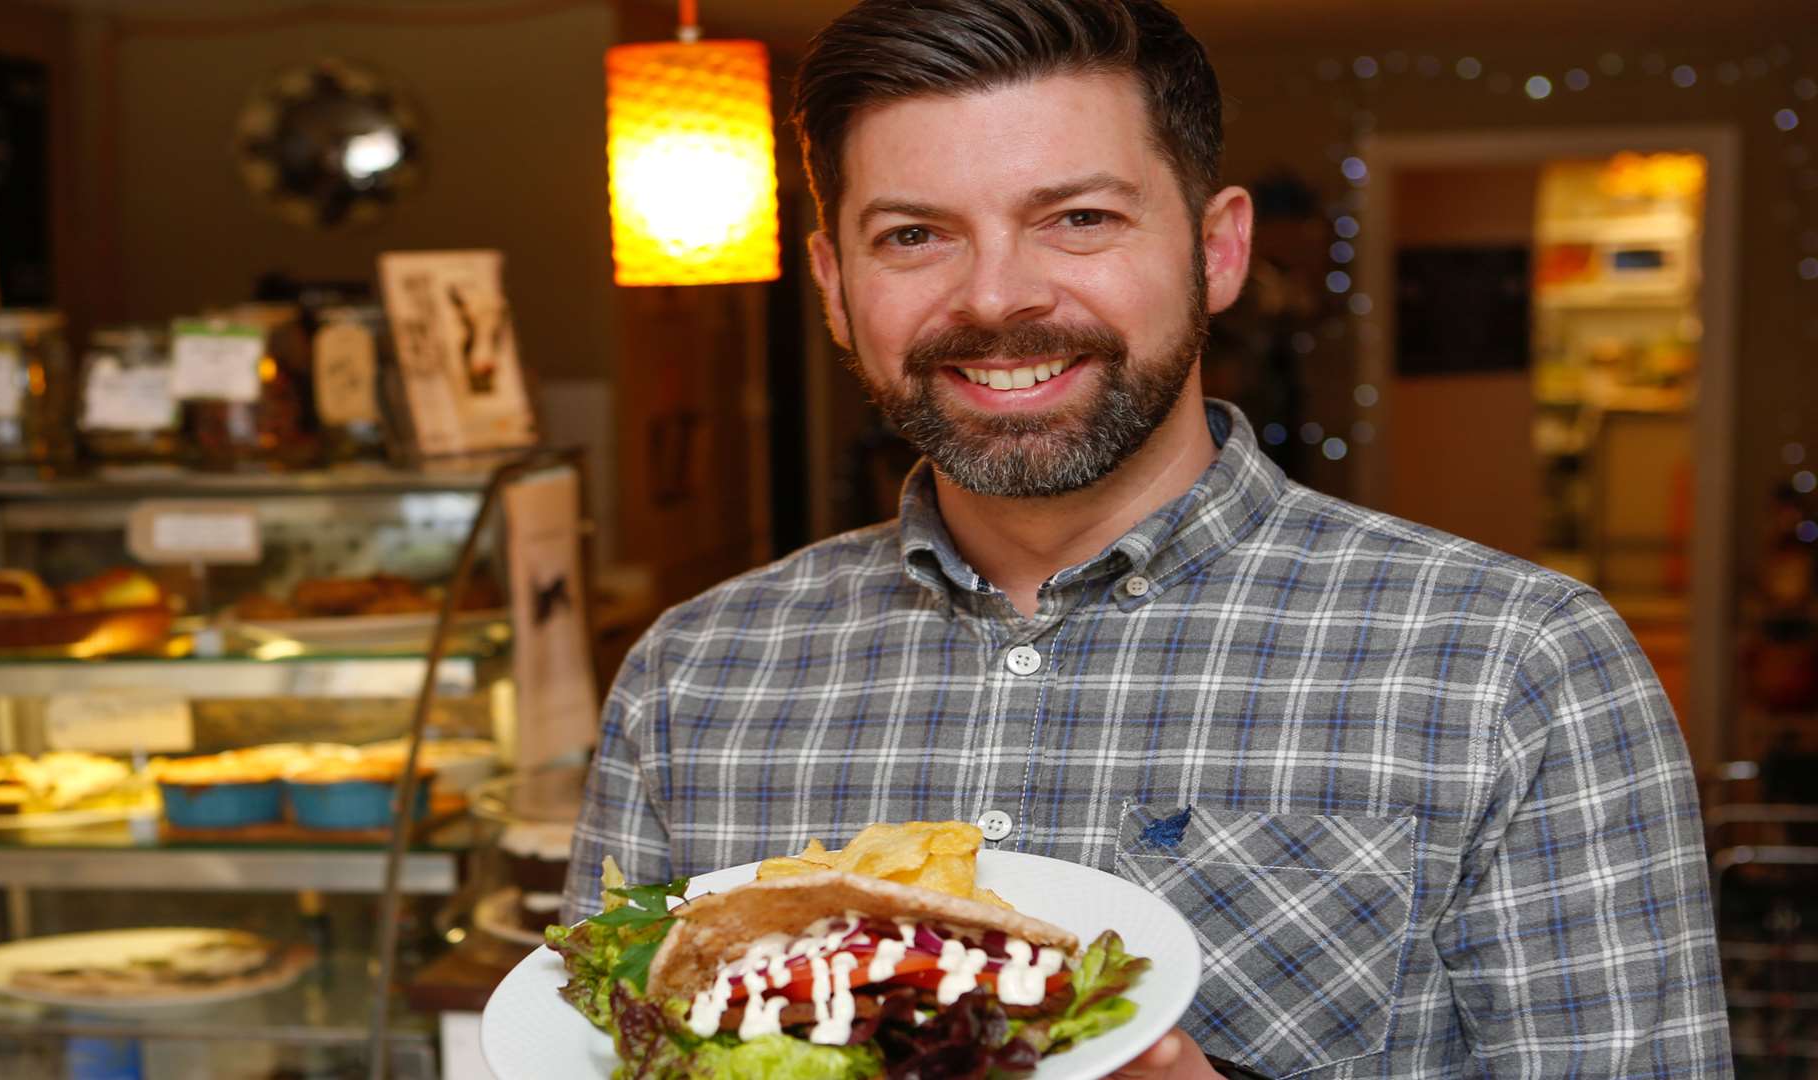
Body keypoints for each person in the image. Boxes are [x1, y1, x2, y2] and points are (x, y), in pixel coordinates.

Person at [564, 1, 1732, 1075]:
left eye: (1078, 219)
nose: (994, 298)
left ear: (1216, 252)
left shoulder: (1516, 666)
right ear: (832, 285)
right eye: (914, 236)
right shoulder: (692, 674)